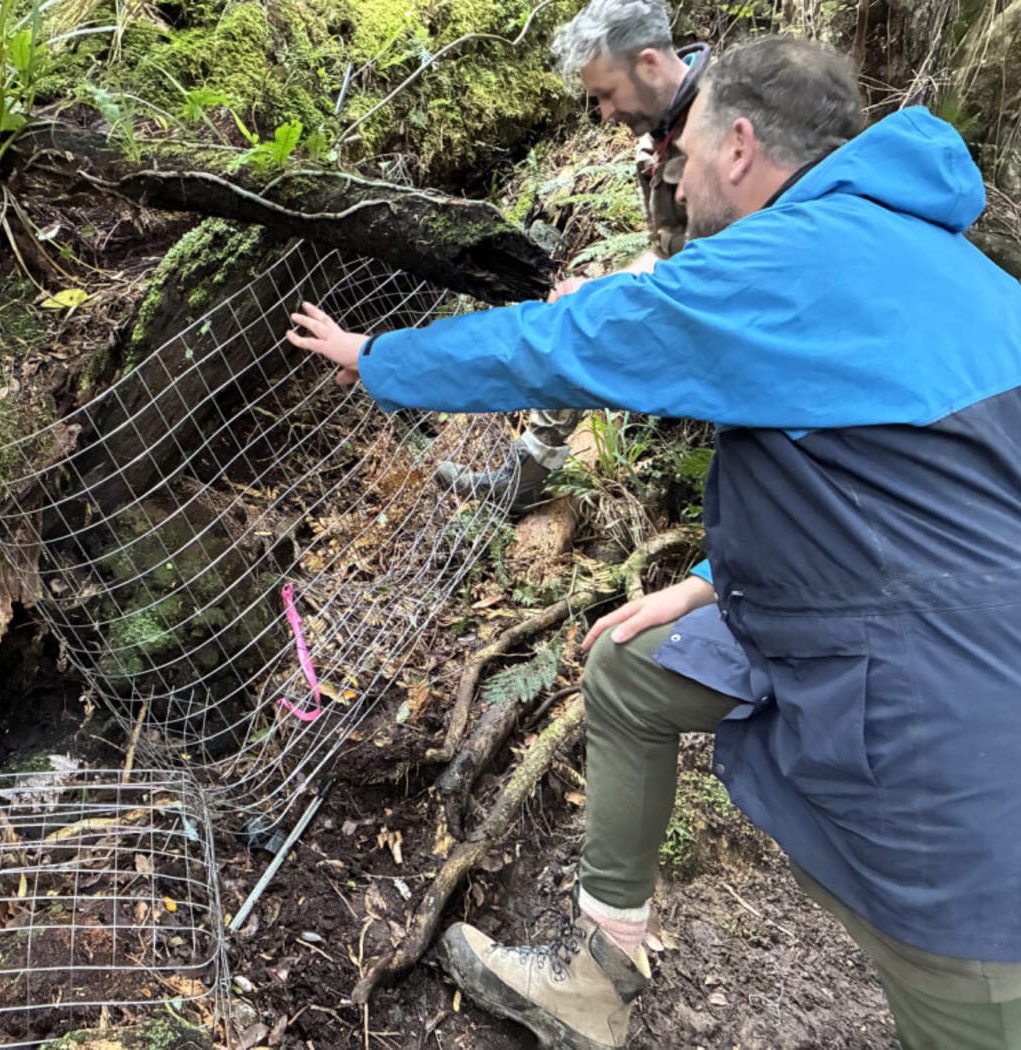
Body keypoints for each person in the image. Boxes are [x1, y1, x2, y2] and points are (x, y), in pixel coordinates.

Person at [287, 34, 1021, 1050]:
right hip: (859, 617)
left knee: (967, 992)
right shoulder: (957, 271)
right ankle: (599, 975)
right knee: (630, 667)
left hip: (951, 736)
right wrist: (715, 581)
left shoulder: (774, 265)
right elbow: (899, 477)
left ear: (740, 146)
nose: (672, 168)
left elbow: (561, 346)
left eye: (691, 146)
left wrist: (380, 357)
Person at [436, 0, 711, 513]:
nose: (604, 114)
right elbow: (669, 251)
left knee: (584, 324)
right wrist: (599, 289)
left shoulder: (725, 125)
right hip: (694, 300)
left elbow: (727, 263)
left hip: (740, 324)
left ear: (649, 63)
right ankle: (531, 468)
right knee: (579, 306)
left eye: (607, 94)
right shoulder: (657, 138)